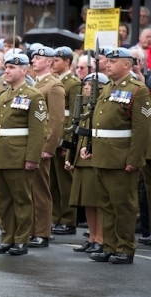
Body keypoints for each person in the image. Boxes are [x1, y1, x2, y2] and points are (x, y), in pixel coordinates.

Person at [87, 48, 151, 264]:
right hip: (103, 156)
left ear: (126, 65)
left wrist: (134, 159)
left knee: (123, 205)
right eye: (108, 61)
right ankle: (110, 245)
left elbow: (142, 130)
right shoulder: (107, 89)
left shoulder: (137, 90)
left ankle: (125, 247)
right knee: (105, 205)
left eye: (113, 62)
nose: (107, 65)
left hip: (121, 158)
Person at [0, 53, 47, 256]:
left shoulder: (33, 95)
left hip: (18, 156)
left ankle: (21, 239)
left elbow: (38, 131)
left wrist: (32, 158)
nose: (7, 70)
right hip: (1, 154)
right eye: (7, 67)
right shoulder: (3, 95)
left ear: (24, 70)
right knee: (3, 201)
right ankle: (7, 237)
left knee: (21, 200)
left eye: (12, 67)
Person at [67, 72, 110, 254]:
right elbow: (75, 133)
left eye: (89, 86)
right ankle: (92, 237)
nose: (85, 88)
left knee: (97, 201)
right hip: (81, 157)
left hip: (93, 158)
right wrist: (70, 157)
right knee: (87, 201)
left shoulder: (100, 107)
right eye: (84, 85)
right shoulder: (84, 106)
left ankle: (101, 238)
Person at [29, 47, 65, 248]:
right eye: (34, 57)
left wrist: (49, 147)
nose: (34, 60)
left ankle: (42, 232)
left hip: (42, 143)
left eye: (39, 57)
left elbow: (57, 120)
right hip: (31, 143)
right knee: (29, 189)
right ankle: (32, 229)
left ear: (50, 62)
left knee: (40, 189)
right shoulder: (34, 83)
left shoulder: (53, 86)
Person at [50, 46, 81, 235]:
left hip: (64, 137)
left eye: (57, 60)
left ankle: (69, 219)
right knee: (53, 182)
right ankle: (55, 217)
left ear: (67, 62)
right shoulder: (55, 82)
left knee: (65, 182)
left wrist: (67, 143)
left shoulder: (73, 83)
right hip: (53, 137)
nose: (53, 63)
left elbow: (73, 116)